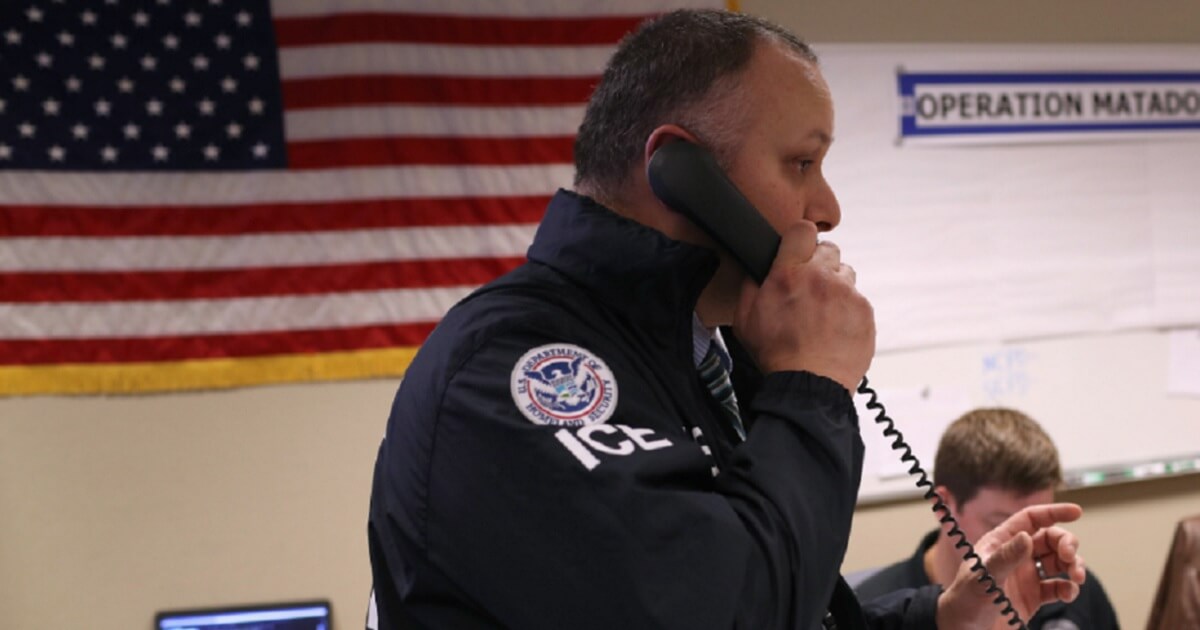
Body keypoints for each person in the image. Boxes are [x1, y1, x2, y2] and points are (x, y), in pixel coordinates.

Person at [367, 9, 1086, 629]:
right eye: (801, 163)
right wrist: (810, 388)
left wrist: (939, 619)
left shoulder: (713, 352)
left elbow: (777, 595)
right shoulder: (509, 369)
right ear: (679, 171)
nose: (828, 207)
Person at [854, 408, 1119, 629]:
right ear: (944, 505)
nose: (1024, 547)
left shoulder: (1073, 592)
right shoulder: (870, 612)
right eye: (1000, 525)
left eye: (1038, 524)